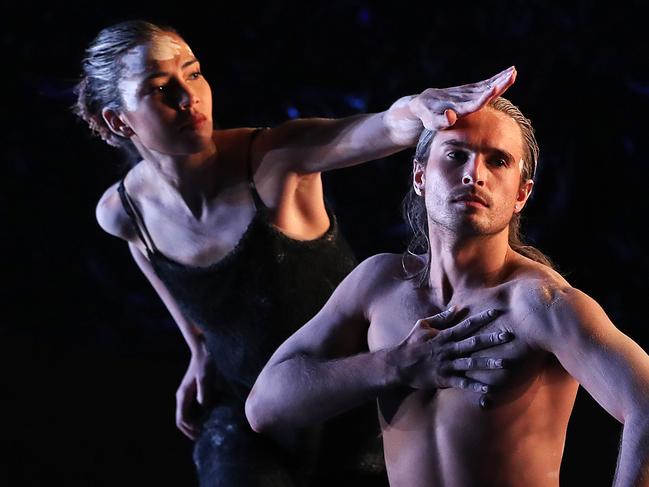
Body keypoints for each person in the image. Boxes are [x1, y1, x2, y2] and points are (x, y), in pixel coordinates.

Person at [75, 19, 518, 487]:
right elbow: (157, 266)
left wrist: (417, 108)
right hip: (245, 402)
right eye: (161, 88)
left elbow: (380, 127)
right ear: (118, 120)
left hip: (350, 388)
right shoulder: (122, 211)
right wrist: (197, 348)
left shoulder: (274, 161)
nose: (190, 98)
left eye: (194, 73)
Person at [246, 94, 649, 486]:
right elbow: (264, 406)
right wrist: (395, 365)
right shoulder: (378, 283)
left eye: (498, 160)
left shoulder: (537, 303)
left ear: (521, 195)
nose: (475, 173)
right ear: (420, 176)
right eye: (456, 155)